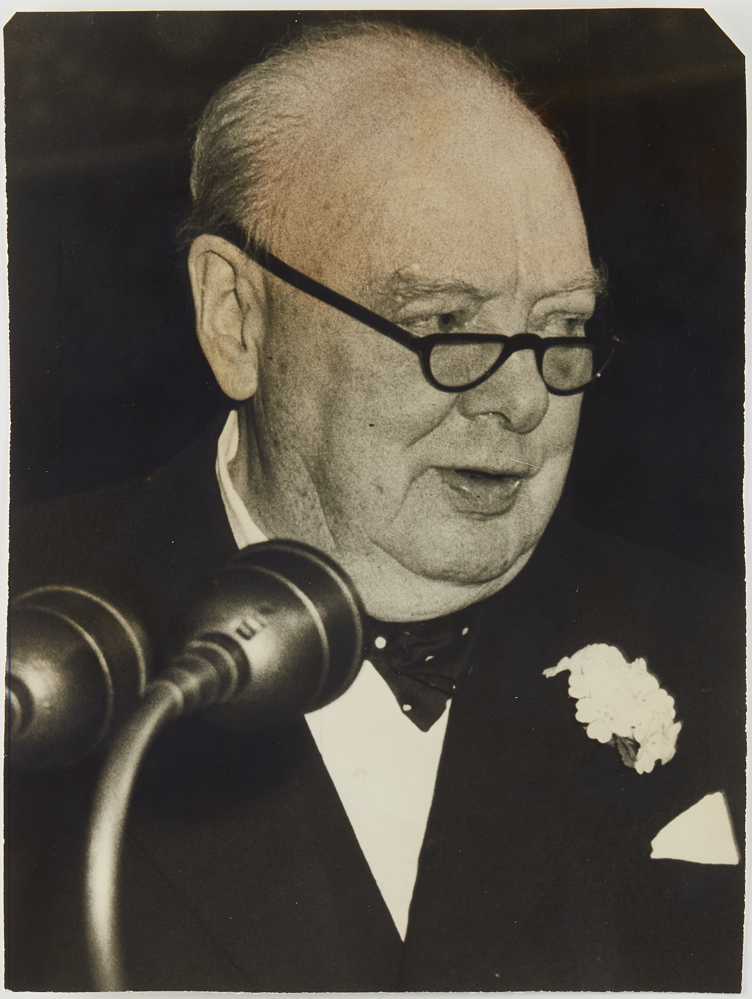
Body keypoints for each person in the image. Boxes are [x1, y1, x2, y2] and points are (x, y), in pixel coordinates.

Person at [6, 21, 744, 992]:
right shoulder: (34, 640)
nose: (523, 401)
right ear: (237, 320)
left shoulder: (718, 645)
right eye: (442, 324)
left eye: (561, 327)